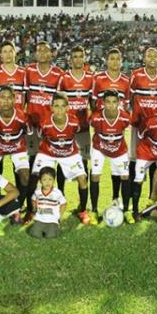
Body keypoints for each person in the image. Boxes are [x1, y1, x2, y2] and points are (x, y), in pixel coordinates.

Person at [28, 93, 89, 224]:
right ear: (51, 108)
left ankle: (83, 210)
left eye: (63, 106)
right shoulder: (45, 123)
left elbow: (76, 132)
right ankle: (31, 211)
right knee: (34, 177)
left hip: (69, 153)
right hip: (47, 153)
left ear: (68, 108)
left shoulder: (74, 122)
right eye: (56, 106)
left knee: (82, 179)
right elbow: (41, 136)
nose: (59, 109)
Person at [24, 41, 62, 222]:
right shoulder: (29, 71)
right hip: (32, 125)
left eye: (46, 50)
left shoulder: (58, 74)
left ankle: (55, 201)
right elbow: (24, 98)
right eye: (39, 50)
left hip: (49, 127)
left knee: (55, 164)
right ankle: (30, 206)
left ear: (51, 54)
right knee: (33, 166)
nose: (42, 53)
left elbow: (59, 102)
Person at [91, 48, 130, 201]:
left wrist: (117, 117)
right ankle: (93, 208)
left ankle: (116, 199)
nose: (114, 61)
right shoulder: (99, 78)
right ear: (106, 61)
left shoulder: (126, 80)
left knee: (117, 168)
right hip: (102, 129)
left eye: (117, 58)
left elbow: (126, 104)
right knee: (96, 171)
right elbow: (94, 102)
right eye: (111, 58)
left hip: (117, 129)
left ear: (121, 61)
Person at [0, 86, 30, 221]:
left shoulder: (23, 117)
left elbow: (28, 135)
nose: (5, 101)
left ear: (14, 99)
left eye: (8, 97)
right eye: (2, 98)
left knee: (25, 176)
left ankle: (18, 208)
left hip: (17, 148)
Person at [129, 47, 157, 201]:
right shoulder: (136, 74)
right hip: (138, 125)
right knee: (135, 159)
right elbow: (130, 97)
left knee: (155, 159)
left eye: (155, 55)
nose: (152, 57)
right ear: (143, 58)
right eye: (148, 55)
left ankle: (153, 197)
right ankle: (133, 196)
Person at [89, 90, 131, 223]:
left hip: (119, 149)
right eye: (108, 102)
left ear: (119, 103)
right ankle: (94, 210)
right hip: (99, 148)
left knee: (125, 175)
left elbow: (124, 130)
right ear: (103, 103)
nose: (111, 105)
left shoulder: (125, 117)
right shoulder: (95, 118)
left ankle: (125, 210)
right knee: (95, 175)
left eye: (114, 102)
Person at [57, 45, 93, 193]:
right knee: (61, 161)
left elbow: (93, 103)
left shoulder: (91, 78)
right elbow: (58, 102)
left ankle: (83, 202)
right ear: (70, 59)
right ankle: (60, 195)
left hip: (83, 129)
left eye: (80, 56)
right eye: (75, 56)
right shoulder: (64, 78)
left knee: (83, 164)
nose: (78, 59)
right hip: (66, 129)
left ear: (84, 58)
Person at [28, 166, 67, 239]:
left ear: (54, 180)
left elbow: (64, 203)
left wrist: (60, 215)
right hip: (40, 219)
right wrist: (34, 209)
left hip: (52, 220)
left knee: (50, 236)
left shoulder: (57, 192)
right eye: (44, 179)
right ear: (40, 181)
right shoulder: (37, 191)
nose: (47, 182)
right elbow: (33, 199)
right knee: (35, 234)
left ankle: (55, 228)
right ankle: (39, 228)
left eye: (50, 179)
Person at [0, 41, 26, 109]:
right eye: (5, 52)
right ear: (1, 55)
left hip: (18, 115)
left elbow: (25, 96)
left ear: (15, 53)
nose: (8, 54)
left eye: (10, 51)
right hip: (1, 115)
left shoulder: (23, 72)